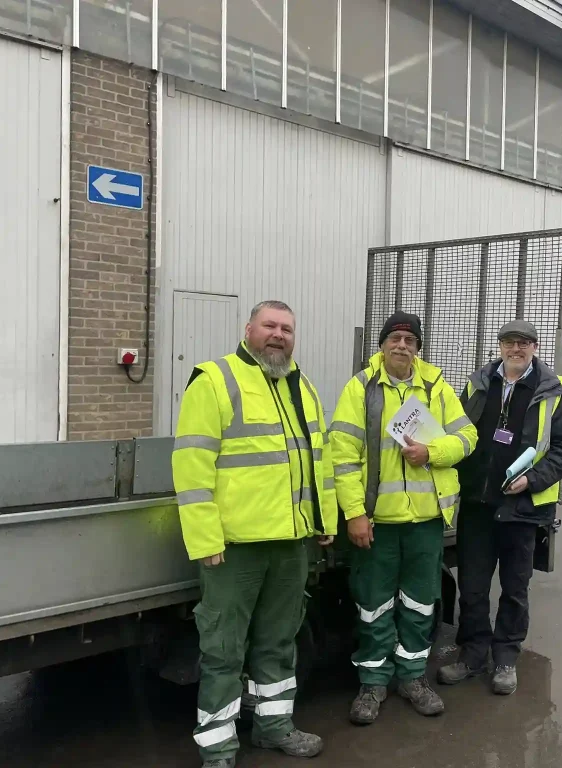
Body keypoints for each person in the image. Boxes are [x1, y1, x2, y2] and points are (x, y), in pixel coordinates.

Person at [172, 300, 338, 768]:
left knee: (279, 643)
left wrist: (324, 521)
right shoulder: (215, 380)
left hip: (290, 545)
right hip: (234, 550)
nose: (279, 334)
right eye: (270, 325)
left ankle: (273, 727)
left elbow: (316, 461)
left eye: (287, 328)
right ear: (248, 329)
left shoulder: (300, 385)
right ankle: (218, 749)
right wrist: (205, 540)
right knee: (223, 651)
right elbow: (191, 466)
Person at [330, 311, 478, 725]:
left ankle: (413, 677)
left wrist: (431, 452)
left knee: (420, 603)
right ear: (381, 345)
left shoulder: (435, 388)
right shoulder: (360, 389)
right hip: (378, 522)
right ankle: (373, 683)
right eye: (394, 338)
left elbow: (468, 437)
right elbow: (342, 457)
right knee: (374, 604)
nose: (402, 346)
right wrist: (355, 513)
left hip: (426, 522)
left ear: (418, 349)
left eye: (410, 341)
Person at [438, 320, 562, 695]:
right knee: (473, 585)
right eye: (509, 343)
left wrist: (531, 480)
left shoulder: (552, 392)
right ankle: (471, 655)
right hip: (477, 504)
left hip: (522, 508)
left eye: (524, 343)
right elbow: (458, 433)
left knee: (515, 589)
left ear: (535, 347)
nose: (516, 349)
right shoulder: (479, 382)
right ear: (499, 346)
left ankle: (505, 659)